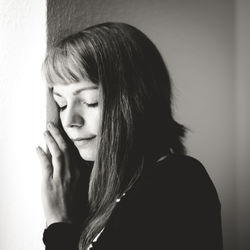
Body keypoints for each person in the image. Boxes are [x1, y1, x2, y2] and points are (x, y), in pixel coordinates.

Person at [36, 22, 223, 250]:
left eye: (90, 101)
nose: (70, 121)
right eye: (61, 104)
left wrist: (59, 226)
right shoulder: (98, 188)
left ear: (135, 99)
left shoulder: (179, 182)